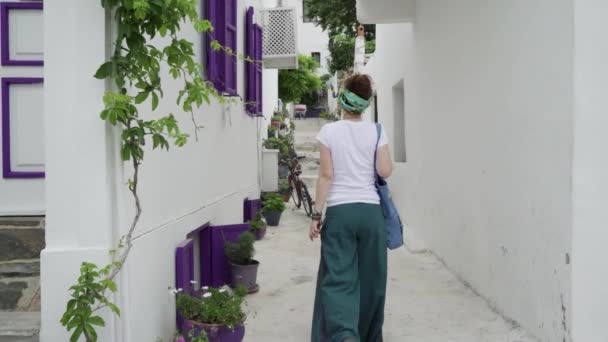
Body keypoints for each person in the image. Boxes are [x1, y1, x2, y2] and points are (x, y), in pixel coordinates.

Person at [310, 74, 393, 342]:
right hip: (371, 214)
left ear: (343, 99)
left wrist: (316, 214)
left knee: (339, 279)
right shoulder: (377, 131)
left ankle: (345, 336)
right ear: (366, 103)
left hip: (340, 213)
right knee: (371, 280)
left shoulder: (328, 132)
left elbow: (326, 176)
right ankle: (368, 335)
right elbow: (385, 170)